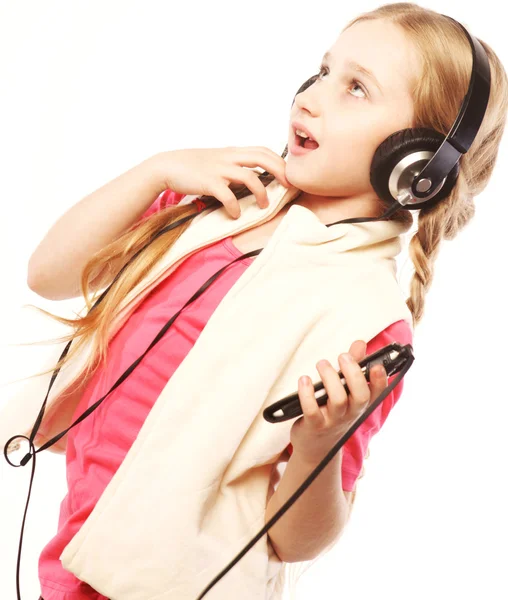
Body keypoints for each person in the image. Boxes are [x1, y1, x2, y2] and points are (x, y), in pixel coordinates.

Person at [17, 3, 507, 599]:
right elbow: (48, 273)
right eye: (323, 71)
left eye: (356, 88)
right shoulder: (216, 207)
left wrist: (320, 448)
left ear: (415, 163)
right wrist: (156, 171)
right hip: (74, 558)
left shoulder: (368, 319)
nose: (312, 96)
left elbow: (296, 541)